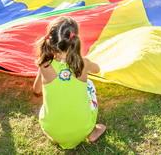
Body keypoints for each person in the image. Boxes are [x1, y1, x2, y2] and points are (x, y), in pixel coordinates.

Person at [33, 16, 106, 149]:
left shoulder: (45, 65)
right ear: (74, 40)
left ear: (51, 41)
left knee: (47, 110)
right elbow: (98, 69)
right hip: (82, 128)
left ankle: (56, 135)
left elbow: (36, 90)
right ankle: (92, 131)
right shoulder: (83, 63)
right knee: (89, 85)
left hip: (52, 129)